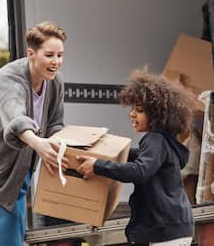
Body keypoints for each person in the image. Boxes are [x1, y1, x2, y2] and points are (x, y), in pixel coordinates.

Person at [0, 21, 69, 246]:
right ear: (31, 53)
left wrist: (58, 147)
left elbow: (56, 124)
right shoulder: (10, 78)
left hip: (17, 167)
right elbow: (16, 120)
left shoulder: (55, 84)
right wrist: (39, 143)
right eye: (49, 55)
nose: (56, 62)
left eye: (60, 55)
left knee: (10, 232)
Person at [76, 68, 196, 246]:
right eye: (132, 108)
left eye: (139, 110)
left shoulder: (155, 139)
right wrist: (112, 150)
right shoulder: (165, 143)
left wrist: (98, 166)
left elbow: (140, 171)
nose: (132, 114)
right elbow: (139, 158)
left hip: (165, 233)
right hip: (173, 229)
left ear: (157, 115)